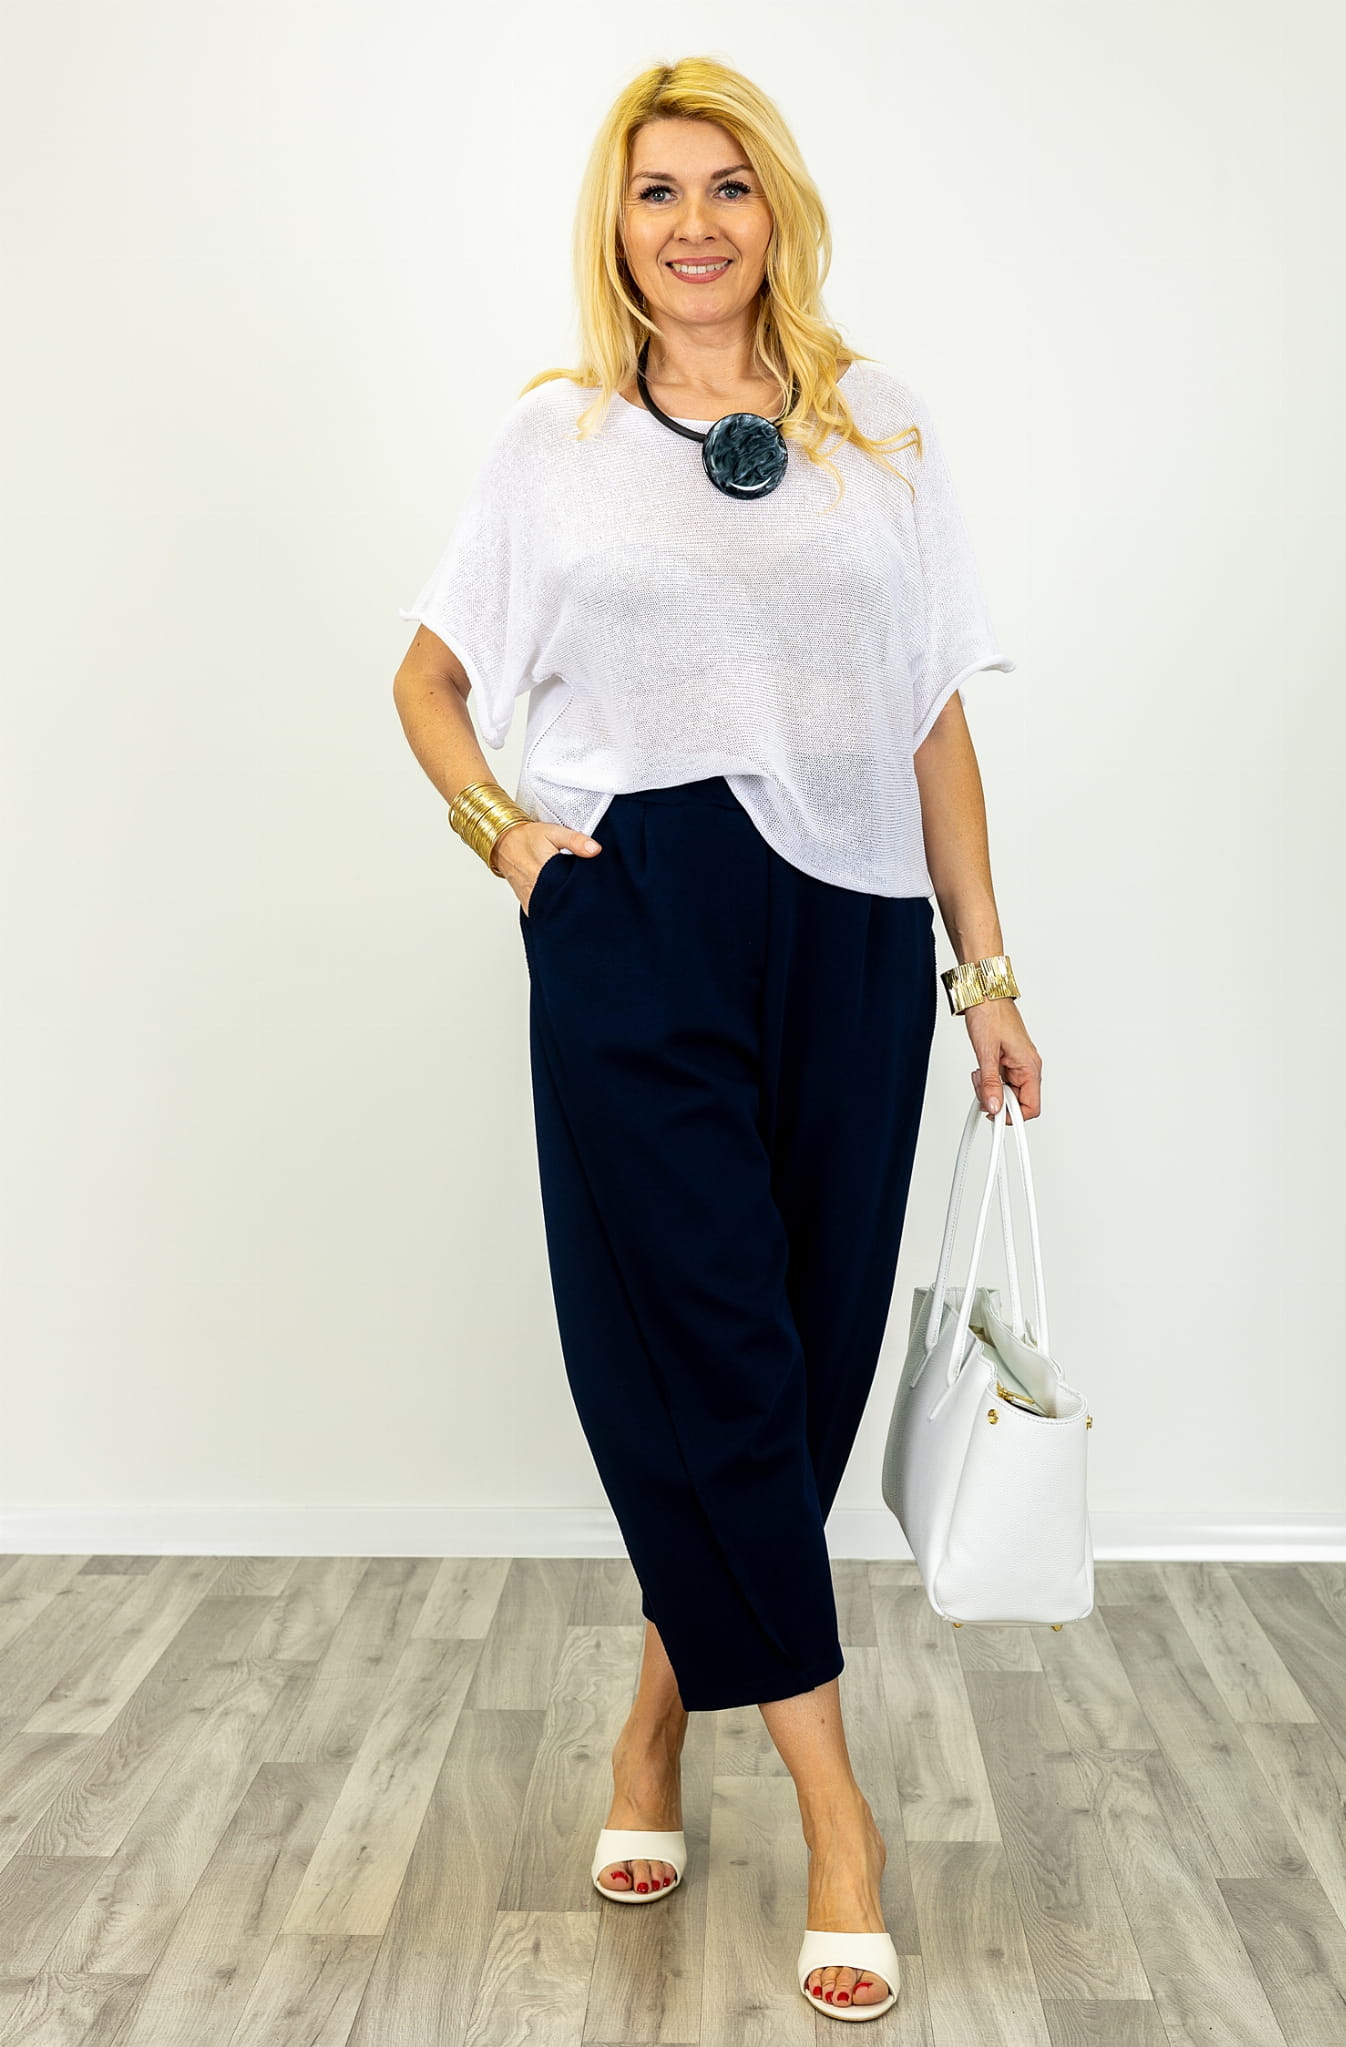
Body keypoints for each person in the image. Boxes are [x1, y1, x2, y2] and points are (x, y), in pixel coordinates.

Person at [393, 56, 1042, 2026]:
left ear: (778, 214)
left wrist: (986, 975)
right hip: (636, 917)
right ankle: (841, 1820)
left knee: (806, 1350)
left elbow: (930, 715)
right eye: (656, 189)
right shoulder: (557, 441)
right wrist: (509, 838)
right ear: (615, 222)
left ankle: (657, 1718)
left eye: (726, 187)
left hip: (848, 924)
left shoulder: (878, 426)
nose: (692, 224)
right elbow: (425, 678)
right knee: (707, 1345)